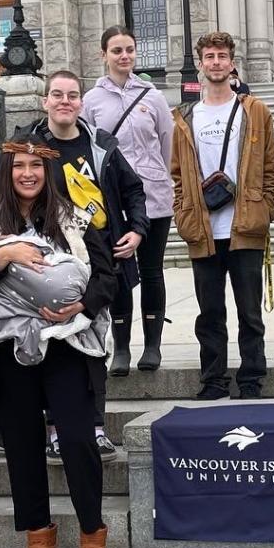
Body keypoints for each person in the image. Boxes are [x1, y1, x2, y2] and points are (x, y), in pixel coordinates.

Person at [0, 132, 117, 548]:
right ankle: (39, 535)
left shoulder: (76, 219)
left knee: (80, 439)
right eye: (19, 167)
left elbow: (107, 277)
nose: (28, 174)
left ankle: (91, 532)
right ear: (6, 172)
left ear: (48, 172)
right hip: (7, 349)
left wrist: (81, 304)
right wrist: (3, 255)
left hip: (67, 344)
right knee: (23, 445)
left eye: (36, 167)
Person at [27, 70, 147, 463]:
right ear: (45, 101)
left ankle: (95, 427)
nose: (65, 101)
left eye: (72, 95)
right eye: (57, 95)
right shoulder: (29, 146)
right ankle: (53, 429)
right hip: (43, 260)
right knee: (48, 346)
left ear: (82, 101)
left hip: (97, 258)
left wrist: (138, 230)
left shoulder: (101, 144)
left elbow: (132, 189)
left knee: (95, 344)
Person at [170, 31, 274, 400]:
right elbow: (177, 174)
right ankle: (213, 380)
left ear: (232, 63)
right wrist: (183, 213)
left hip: (245, 225)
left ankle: (251, 379)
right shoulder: (186, 117)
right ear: (200, 65)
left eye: (222, 56)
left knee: (250, 312)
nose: (216, 62)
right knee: (210, 313)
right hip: (203, 231)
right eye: (209, 56)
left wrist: (265, 210)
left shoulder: (255, 110)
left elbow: (271, 168)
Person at [80, 25, 175, 375]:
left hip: (152, 198)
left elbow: (167, 144)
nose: (124, 56)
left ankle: (152, 345)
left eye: (129, 50)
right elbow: (88, 149)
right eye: (117, 50)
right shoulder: (91, 100)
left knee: (152, 272)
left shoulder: (152, 96)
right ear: (103, 54)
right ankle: (120, 347)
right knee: (118, 271)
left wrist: (154, 176)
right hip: (111, 201)